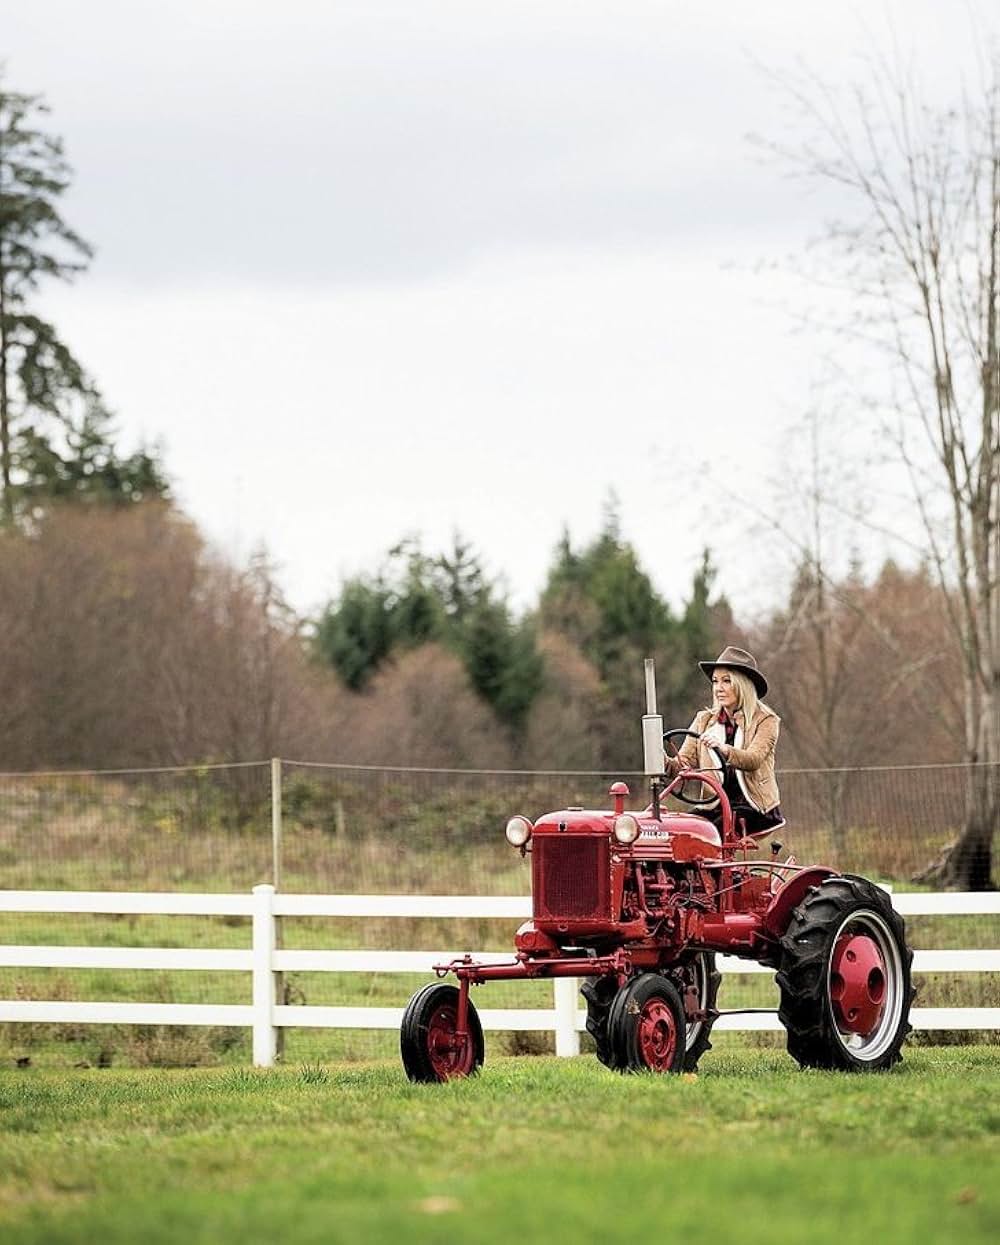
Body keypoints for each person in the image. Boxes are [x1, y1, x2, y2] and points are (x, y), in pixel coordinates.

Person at [664, 645, 783, 836]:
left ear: (742, 685)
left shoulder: (766, 721)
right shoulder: (704, 720)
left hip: (753, 808)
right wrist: (662, 760)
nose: (719, 688)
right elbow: (682, 764)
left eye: (726, 681)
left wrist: (724, 749)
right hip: (714, 806)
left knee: (704, 836)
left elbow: (753, 760)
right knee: (677, 833)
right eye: (715, 681)